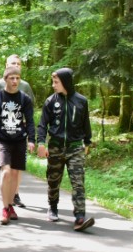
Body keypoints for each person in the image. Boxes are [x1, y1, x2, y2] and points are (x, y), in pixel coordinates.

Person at [36, 68, 95, 232]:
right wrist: (41, 143)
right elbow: (42, 124)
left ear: (66, 82)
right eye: (53, 82)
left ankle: (80, 216)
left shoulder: (81, 101)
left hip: (75, 147)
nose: (53, 85)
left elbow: (86, 123)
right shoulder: (50, 101)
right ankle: (53, 207)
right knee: (53, 180)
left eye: (56, 82)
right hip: (55, 147)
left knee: (78, 182)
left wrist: (88, 142)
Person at [0, 66, 36, 224]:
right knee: (6, 172)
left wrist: (32, 140)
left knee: (15, 174)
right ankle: (4, 208)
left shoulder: (25, 99)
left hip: (19, 140)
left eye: (17, 78)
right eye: (12, 78)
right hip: (2, 140)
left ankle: (10, 206)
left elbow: (30, 121)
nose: (15, 81)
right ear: (5, 79)